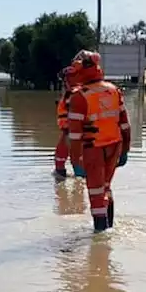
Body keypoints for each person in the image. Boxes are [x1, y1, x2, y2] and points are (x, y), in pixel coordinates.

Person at [64, 50, 131, 232]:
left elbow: (75, 136)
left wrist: (75, 160)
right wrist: (125, 150)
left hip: (93, 148)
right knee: (106, 187)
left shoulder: (79, 97)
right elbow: (125, 125)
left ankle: (100, 237)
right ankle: (110, 227)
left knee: (95, 192)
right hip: (114, 145)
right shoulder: (114, 91)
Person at [53, 69, 82, 180]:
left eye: (65, 79)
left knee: (62, 154)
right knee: (71, 154)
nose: (64, 82)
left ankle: (62, 176)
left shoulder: (74, 93)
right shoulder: (79, 91)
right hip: (72, 129)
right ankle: (78, 180)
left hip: (71, 130)